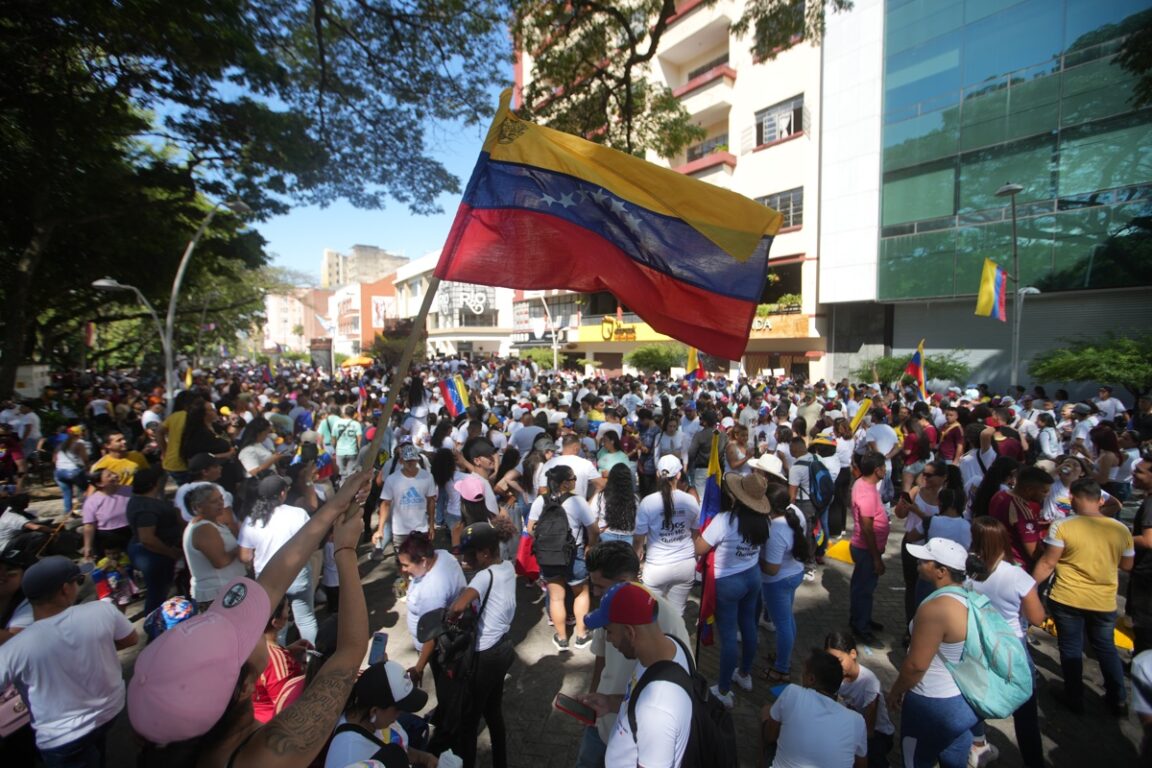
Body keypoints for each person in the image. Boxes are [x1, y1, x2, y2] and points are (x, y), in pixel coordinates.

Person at [128, 472, 373, 768]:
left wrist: (334, 505)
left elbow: (268, 585)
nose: (253, 625)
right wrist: (345, 552)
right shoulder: (268, 755)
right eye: (241, 637)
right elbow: (350, 651)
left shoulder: (171, 736)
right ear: (244, 686)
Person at [0, 555, 138, 766]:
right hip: (110, 711)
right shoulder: (102, 610)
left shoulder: (13, 649)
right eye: (77, 581)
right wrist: (97, 647)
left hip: (62, 737)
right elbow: (130, 638)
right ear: (65, 589)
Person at [576, 541, 689, 768]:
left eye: (600, 586)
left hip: (636, 740)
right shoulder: (610, 608)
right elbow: (601, 658)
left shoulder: (670, 622)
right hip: (605, 720)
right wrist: (597, 698)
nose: (595, 593)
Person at [1032, 478, 1134, 716]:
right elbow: (1127, 565)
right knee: (1106, 647)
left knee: (1070, 646)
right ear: (1100, 500)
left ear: (1073, 498)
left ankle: (1074, 695)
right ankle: (1118, 698)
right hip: (1104, 600)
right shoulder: (1120, 529)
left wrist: (1029, 588)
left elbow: (1048, 563)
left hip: (1067, 597)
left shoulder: (1062, 526)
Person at [886, 537, 978, 768]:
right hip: (963, 702)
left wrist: (895, 691)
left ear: (941, 571)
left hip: (931, 703)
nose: (918, 562)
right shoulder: (971, 597)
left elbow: (916, 665)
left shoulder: (935, 609)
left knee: (916, 760)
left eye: (925, 560)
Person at [966, 517, 1045, 768]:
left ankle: (977, 745)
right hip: (1013, 646)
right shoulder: (1016, 575)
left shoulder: (969, 574)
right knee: (1025, 711)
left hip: (979, 643)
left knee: (976, 697)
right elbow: (1037, 617)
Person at [695, 472, 771, 707]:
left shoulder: (725, 520)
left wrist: (698, 532)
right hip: (752, 577)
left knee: (728, 635)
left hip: (728, 582)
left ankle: (725, 689)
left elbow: (700, 547)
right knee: (748, 625)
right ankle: (744, 673)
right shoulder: (763, 521)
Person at [450, 521, 518, 768]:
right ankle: (501, 762)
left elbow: (458, 605)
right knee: (493, 711)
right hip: (503, 648)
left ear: (485, 553)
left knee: (469, 719)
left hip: (485, 654)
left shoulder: (483, 576)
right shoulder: (507, 567)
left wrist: (450, 614)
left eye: (470, 554)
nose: (467, 558)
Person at [397, 532, 466, 729]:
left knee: (444, 685)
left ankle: (450, 724)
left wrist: (418, 668)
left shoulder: (433, 590)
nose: (404, 570)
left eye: (406, 565)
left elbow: (432, 637)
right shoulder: (442, 555)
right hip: (447, 636)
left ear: (424, 561)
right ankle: (446, 712)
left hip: (438, 649)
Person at [238, 475, 318, 644]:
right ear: (282, 493)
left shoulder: (251, 521)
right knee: (306, 619)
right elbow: (312, 543)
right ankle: (312, 659)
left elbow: (245, 556)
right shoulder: (298, 513)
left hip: (268, 580)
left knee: (275, 625)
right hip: (297, 573)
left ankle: (279, 662)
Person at [529, 464, 599, 651]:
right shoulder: (577, 502)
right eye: (573, 478)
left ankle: (561, 638)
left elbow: (530, 529)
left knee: (556, 597)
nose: (575, 481)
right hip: (573, 553)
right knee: (581, 593)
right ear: (565, 484)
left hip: (548, 556)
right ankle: (582, 635)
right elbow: (593, 529)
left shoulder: (540, 501)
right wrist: (590, 546)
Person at [761, 649, 868, 768]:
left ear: (811, 679)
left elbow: (770, 736)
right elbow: (861, 764)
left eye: (804, 672)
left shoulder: (792, 692)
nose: (801, 675)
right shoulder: (857, 721)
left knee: (767, 711)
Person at [323, 660, 436, 768]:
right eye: (398, 708)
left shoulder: (376, 719)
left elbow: (399, 746)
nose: (401, 713)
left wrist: (424, 758)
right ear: (374, 711)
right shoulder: (349, 756)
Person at [634, 454, 700, 616]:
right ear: (678, 475)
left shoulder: (648, 502)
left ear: (657, 474)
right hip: (685, 564)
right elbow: (696, 533)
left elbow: (638, 540)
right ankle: (675, 640)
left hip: (657, 567)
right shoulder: (690, 500)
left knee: (650, 615)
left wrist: (636, 562)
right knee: (676, 616)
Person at [824, 632, 896, 768]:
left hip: (877, 734)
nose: (834, 666)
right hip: (851, 728)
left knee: (869, 758)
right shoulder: (833, 677)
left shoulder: (869, 681)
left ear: (853, 654)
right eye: (830, 661)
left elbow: (869, 729)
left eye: (838, 661)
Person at [760, 484, 809, 684]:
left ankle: (782, 668)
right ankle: (784, 655)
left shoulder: (776, 530)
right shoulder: (794, 513)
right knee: (787, 620)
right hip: (794, 572)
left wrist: (755, 558)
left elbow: (772, 568)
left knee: (782, 625)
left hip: (778, 581)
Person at [126, 466, 184, 616]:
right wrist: (171, 553)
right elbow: (147, 538)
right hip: (154, 555)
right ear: (156, 483)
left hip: (153, 553)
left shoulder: (141, 501)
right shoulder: (146, 507)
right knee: (157, 594)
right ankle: (154, 629)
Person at [183, 483, 247, 607]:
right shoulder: (204, 528)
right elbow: (220, 562)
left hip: (228, 590)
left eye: (221, 499)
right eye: (214, 501)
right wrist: (240, 548)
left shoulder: (213, 523)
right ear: (198, 507)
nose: (220, 503)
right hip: (219, 594)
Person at [849, 452, 889, 646]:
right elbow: (867, 527)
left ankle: (860, 618)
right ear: (877, 470)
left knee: (862, 587)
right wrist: (876, 558)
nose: (886, 470)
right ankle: (861, 626)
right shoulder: (866, 492)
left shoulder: (863, 483)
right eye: (884, 467)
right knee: (864, 589)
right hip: (866, 550)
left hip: (865, 549)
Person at [372, 443, 436, 557]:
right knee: (403, 562)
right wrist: (380, 529)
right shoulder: (392, 480)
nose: (411, 464)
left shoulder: (427, 477)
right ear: (401, 461)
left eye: (413, 460)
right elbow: (385, 504)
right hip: (400, 530)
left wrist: (431, 525)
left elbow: (431, 501)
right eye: (407, 461)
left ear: (417, 460)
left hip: (421, 528)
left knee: (421, 560)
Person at [81, 467, 133, 561]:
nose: (115, 476)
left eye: (113, 473)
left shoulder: (130, 491)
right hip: (106, 537)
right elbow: (89, 525)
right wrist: (87, 547)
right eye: (109, 476)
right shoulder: (92, 501)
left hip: (130, 532)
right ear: (99, 483)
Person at [1130, 455, 1152, 654]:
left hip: (1146, 575)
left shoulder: (1150, 505)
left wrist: (1120, 536)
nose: (1134, 474)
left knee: (1144, 623)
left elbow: (1148, 540)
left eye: (1139, 471)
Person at [591, 462, 638, 546]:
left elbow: (592, 517)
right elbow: (639, 521)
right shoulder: (634, 499)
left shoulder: (601, 496)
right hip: (629, 539)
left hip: (605, 537)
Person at [53, 425, 89, 517]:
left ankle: (68, 513)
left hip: (59, 471)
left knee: (67, 493)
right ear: (80, 433)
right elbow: (85, 458)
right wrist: (87, 468)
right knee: (85, 490)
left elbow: (54, 459)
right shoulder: (79, 443)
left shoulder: (61, 444)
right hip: (73, 471)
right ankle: (87, 512)